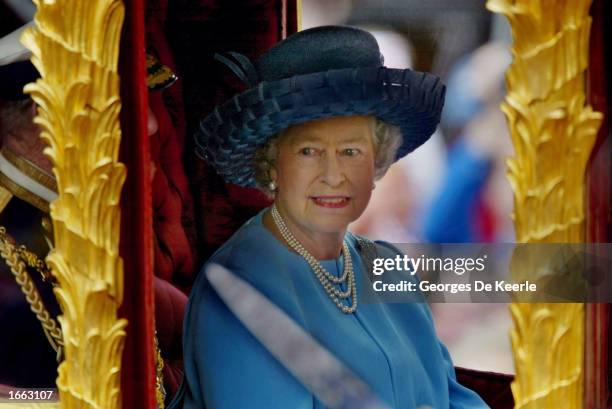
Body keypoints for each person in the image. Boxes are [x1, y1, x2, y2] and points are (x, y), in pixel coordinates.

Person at [170, 26, 489, 408]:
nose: (334, 174)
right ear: (272, 164)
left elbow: (455, 400)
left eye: (352, 150)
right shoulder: (240, 288)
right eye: (308, 151)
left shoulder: (389, 267)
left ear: (378, 162)